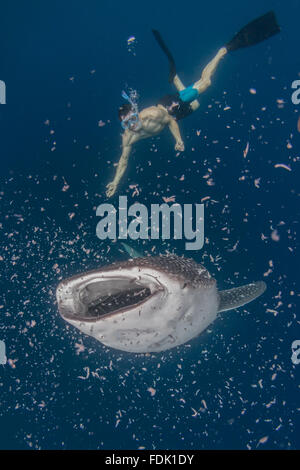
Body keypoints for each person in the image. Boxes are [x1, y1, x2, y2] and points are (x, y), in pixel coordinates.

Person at [106, 11, 280, 198]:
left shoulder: (151, 115)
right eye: (127, 124)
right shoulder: (129, 138)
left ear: (136, 114)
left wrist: (178, 140)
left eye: (132, 119)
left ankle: (222, 52)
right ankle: (175, 79)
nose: (132, 125)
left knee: (206, 84)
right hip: (171, 111)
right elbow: (123, 161)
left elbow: (171, 121)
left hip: (169, 106)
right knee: (196, 105)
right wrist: (115, 182)